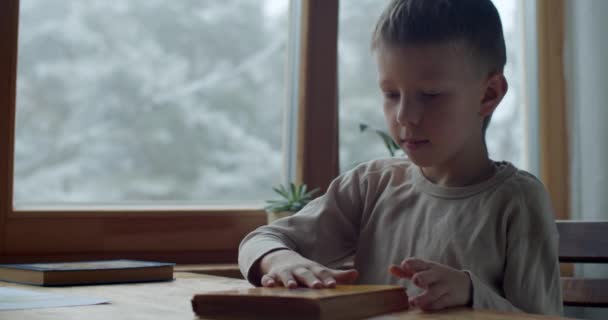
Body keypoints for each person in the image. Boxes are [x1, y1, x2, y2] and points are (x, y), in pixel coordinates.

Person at [238, 0, 563, 315]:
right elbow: (261, 240)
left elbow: (542, 317)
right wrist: (281, 260)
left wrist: (471, 292)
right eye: (391, 94)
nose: (406, 115)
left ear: (488, 94)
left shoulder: (517, 201)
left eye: (431, 95)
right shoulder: (370, 186)